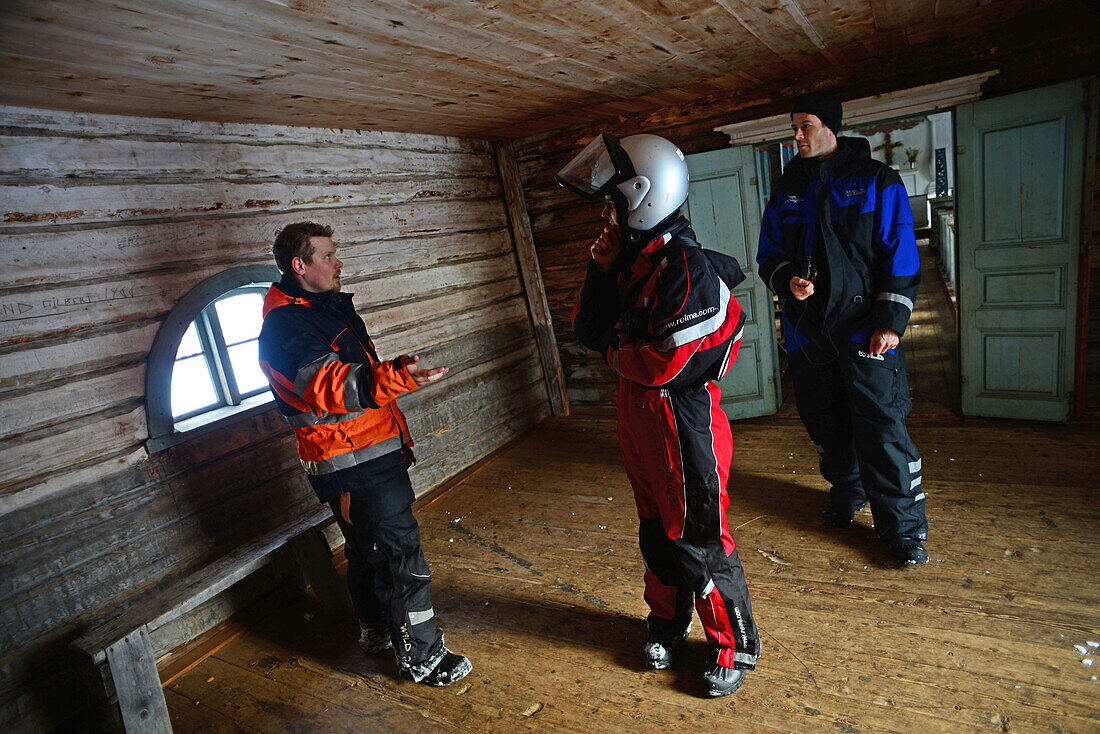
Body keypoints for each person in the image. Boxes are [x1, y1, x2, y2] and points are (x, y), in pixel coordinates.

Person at [557, 133, 760, 697]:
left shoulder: (688, 270)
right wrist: (601, 271)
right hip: (641, 422)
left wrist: (612, 349)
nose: (606, 213)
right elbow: (585, 325)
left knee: (698, 537)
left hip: (682, 426)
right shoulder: (633, 262)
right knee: (656, 534)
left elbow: (659, 364)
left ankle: (733, 645)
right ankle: (667, 624)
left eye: (613, 202)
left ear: (642, 196)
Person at [257, 221, 472, 686]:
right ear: (300, 265)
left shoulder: (319, 309)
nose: (339, 263)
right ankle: (423, 656)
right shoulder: (287, 326)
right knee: (400, 555)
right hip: (354, 464)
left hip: (359, 455)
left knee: (363, 550)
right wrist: (398, 376)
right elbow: (330, 386)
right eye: (328, 256)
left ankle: (376, 630)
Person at [755, 92, 929, 566]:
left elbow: (901, 254)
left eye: (805, 126)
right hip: (810, 333)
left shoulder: (876, 181)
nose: (796, 137)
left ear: (830, 127)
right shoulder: (788, 187)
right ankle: (848, 492)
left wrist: (891, 321)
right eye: (794, 127)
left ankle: (904, 529)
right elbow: (768, 253)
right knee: (827, 422)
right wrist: (787, 279)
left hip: (865, 331)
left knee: (881, 426)